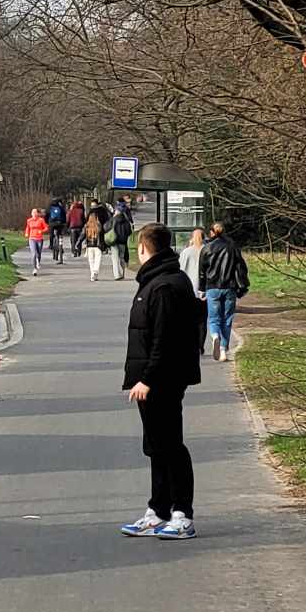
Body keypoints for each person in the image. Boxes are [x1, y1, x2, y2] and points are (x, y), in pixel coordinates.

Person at [120, 222, 205, 539]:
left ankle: (182, 514)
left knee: (170, 446)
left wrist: (147, 379)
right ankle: (158, 510)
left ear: (143, 248)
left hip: (163, 379)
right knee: (157, 446)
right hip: (157, 378)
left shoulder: (165, 285)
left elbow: (163, 339)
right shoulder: (158, 280)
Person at [198, 220, 251, 361]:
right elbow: (241, 267)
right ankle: (223, 350)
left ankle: (215, 336)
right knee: (227, 319)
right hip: (230, 288)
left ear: (211, 232)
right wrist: (242, 286)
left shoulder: (207, 248)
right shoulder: (232, 247)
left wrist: (201, 289)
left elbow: (202, 272)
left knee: (214, 318)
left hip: (212, 288)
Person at [108, 200, 133, 280]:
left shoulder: (113, 219)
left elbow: (106, 227)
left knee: (115, 259)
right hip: (123, 241)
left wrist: (112, 217)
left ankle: (117, 275)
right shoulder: (126, 221)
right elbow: (129, 232)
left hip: (114, 241)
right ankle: (122, 273)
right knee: (121, 257)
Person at [82, 206, 107, 281]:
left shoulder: (86, 226)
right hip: (98, 245)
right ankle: (95, 271)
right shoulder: (99, 226)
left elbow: (83, 235)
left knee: (91, 260)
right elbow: (102, 234)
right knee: (98, 259)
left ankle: (92, 273)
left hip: (89, 245)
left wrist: (79, 242)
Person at [179, 226, 205, 296]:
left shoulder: (186, 251)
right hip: (205, 286)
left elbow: (181, 269)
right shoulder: (208, 250)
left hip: (189, 284)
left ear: (192, 238)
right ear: (203, 238)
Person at [24, 207, 50, 275]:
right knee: (34, 254)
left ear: (38, 214)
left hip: (39, 239)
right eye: (33, 213)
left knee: (39, 253)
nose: (34, 214)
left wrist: (41, 231)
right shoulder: (29, 220)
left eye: (35, 213)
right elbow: (28, 228)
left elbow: (46, 228)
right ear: (31, 214)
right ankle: (34, 269)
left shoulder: (41, 220)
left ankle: (38, 261)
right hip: (32, 238)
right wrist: (26, 233)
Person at [45, 198, 67, 265]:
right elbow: (64, 216)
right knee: (60, 235)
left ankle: (51, 245)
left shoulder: (49, 208)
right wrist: (64, 223)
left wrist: (47, 222)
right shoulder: (61, 208)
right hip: (60, 224)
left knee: (51, 234)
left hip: (52, 224)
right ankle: (61, 247)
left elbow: (46, 216)